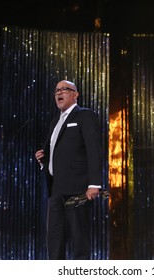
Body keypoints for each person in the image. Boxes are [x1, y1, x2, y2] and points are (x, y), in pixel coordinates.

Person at [35, 80, 102, 260]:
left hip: (78, 188)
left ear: (75, 94)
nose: (59, 93)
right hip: (56, 188)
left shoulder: (85, 115)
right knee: (55, 239)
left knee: (79, 238)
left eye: (64, 89)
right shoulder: (55, 122)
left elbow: (93, 150)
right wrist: (43, 159)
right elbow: (58, 152)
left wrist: (94, 183)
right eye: (56, 90)